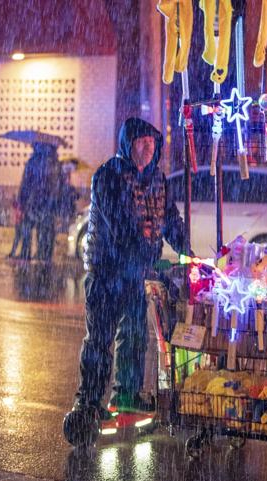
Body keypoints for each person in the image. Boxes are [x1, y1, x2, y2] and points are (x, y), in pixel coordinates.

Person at [72, 117, 185, 418]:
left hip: (137, 275)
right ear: (128, 145)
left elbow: (171, 221)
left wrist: (187, 251)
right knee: (100, 339)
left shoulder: (158, 181)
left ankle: (127, 394)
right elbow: (120, 226)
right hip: (107, 272)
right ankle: (89, 402)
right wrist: (142, 253)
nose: (148, 148)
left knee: (135, 335)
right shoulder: (109, 175)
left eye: (152, 143)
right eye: (141, 142)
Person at [17, 142, 59, 260]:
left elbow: (26, 182)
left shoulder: (33, 162)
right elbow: (57, 184)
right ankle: (44, 253)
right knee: (45, 228)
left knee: (27, 227)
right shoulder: (54, 163)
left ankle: (26, 252)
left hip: (33, 200)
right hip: (48, 201)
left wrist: (22, 199)